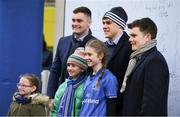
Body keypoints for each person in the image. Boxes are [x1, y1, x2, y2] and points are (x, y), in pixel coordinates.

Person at [121, 17, 169, 116]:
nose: (130, 39)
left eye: (134, 36)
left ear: (147, 37)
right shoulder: (138, 59)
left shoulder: (154, 61)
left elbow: (151, 106)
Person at [47, 6, 95, 100]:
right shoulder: (63, 41)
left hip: (83, 98)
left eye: (79, 21)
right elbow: (55, 70)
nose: (75, 23)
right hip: (61, 96)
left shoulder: (96, 45)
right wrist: (50, 97)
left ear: (89, 23)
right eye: (73, 20)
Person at [102, 6, 132, 115]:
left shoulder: (130, 46)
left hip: (120, 106)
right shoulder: (103, 46)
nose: (104, 26)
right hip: (102, 104)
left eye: (108, 23)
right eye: (103, 23)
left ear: (120, 25)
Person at [80, 39, 118, 116]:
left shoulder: (109, 78)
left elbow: (112, 109)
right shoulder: (88, 77)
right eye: (85, 54)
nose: (86, 57)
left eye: (89, 54)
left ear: (100, 55)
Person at [50, 47, 88, 116]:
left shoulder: (86, 86)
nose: (69, 68)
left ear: (82, 69)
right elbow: (54, 110)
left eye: (73, 66)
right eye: (68, 65)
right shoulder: (63, 86)